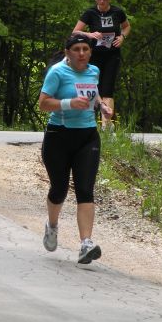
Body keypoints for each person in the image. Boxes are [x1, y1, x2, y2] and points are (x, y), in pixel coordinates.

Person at [38, 34, 113, 265]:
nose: (82, 53)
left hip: (87, 137)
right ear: (68, 52)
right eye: (77, 49)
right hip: (58, 136)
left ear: (90, 52)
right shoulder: (57, 73)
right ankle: (52, 226)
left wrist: (101, 106)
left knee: (85, 189)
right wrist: (68, 103)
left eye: (86, 49)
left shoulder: (93, 71)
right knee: (59, 189)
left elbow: (94, 92)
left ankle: (85, 244)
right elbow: (42, 103)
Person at [72, 0, 130, 130]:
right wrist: (90, 34)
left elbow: (127, 26)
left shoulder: (117, 12)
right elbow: (75, 32)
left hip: (112, 54)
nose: (102, 1)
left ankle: (106, 125)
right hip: (94, 56)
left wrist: (122, 37)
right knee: (93, 87)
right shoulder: (90, 13)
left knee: (108, 89)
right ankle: (89, 123)